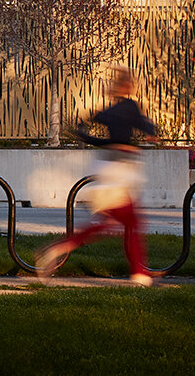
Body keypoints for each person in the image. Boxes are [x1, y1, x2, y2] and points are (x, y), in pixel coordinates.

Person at [35, 64, 159, 286]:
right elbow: (142, 126)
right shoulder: (130, 106)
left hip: (104, 169)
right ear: (128, 85)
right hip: (119, 173)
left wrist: (83, 131)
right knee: (128, 222)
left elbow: (94, 135)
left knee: (119, 222)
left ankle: (139, 273)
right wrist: (149, 134)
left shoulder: (108, 112)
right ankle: (139, 274)